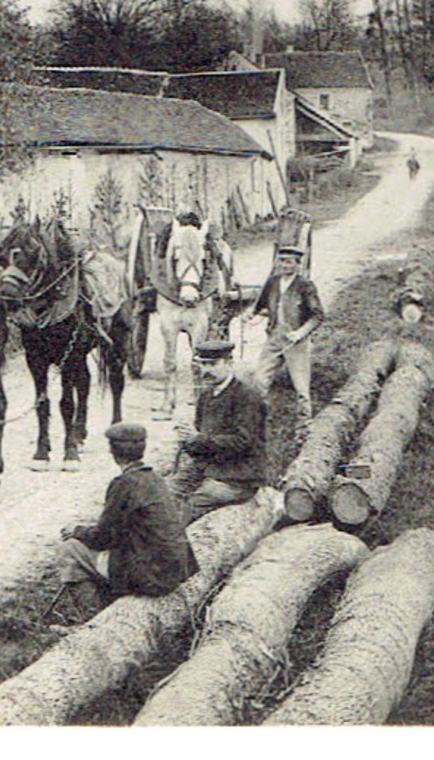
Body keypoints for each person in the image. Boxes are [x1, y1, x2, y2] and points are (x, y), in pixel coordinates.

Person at [50, 422, 198, 626]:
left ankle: (92, 621)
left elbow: (104, 538)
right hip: (175, 570)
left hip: (151, 575)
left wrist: (75, 531)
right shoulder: (154, 479)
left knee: (70, 550)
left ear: (113, 452)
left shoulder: (123, 484)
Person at [174, 340, 268, 522]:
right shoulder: (206, 396)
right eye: (203, 364)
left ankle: (169, 547)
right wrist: (187, 441)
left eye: (213, 364)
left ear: (229, 363)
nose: (207, 370)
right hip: (208, 468)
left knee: (192, 505)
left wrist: (199, 439)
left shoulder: (246, 397)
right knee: (166, 494)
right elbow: (201, 442)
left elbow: (242, 442)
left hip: (239, 475)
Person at [247, 244, 324, 425]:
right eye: (281, 261)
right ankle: (263, 419)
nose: (284, 265)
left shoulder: (305, 286)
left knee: (301, 387)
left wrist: (300, 333)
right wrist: (251, 315)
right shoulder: (272, 282)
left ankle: (304, 424)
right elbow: (260, 306)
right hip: (274, 338)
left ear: (297, 264)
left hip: (295, 342)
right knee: (260, 380)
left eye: (289, 262)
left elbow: (318, 315)